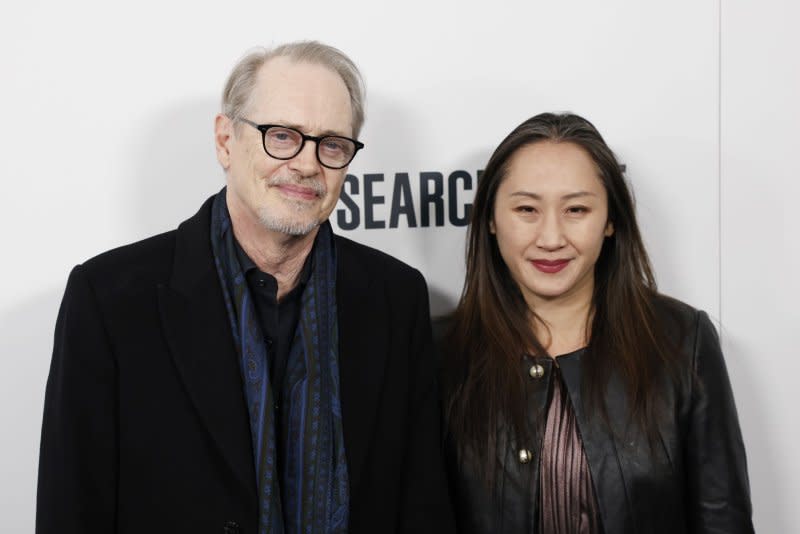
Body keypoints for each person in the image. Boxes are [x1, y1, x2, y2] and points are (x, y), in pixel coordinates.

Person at [37, 41, 454, 534]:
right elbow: (73, 508)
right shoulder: (109, 299)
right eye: (281, 135)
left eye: (333, 145)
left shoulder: (394, 297)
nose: (306, 164)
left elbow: (421, 504)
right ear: (225, 141)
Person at [440, 112, 754, 533]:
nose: (551, 238)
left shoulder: (682, 343)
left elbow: (723, 521)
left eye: (576, 209)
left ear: (610, 220)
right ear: (492, 220)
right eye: (527, 209)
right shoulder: (438, 353)